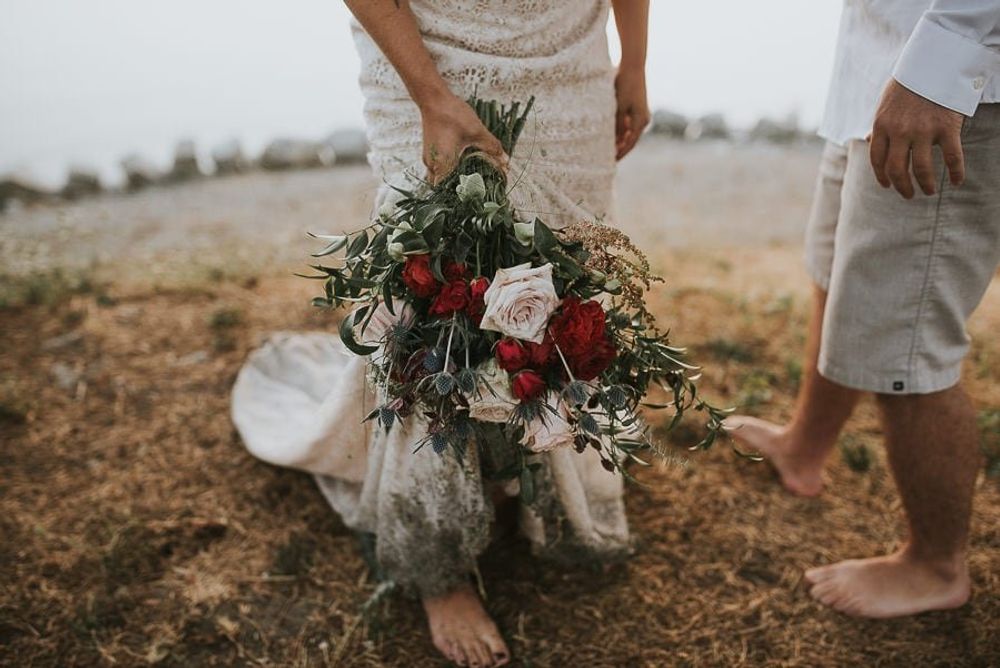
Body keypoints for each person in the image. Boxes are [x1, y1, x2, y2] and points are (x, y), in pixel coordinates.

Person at [231, 2, 650, 665]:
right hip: (435, 43)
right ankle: (439, 563)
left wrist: (635, 58)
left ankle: (537, 475)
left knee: (566, 273)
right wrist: (430, 93)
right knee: (435, 284)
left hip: (571, 50)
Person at [729, 0, 1000, 619]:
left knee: (903, 328)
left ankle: (935, 564)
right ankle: (804, 448)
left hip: (952, 86)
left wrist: (938, 70)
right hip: (878, 67)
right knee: (837, 274)